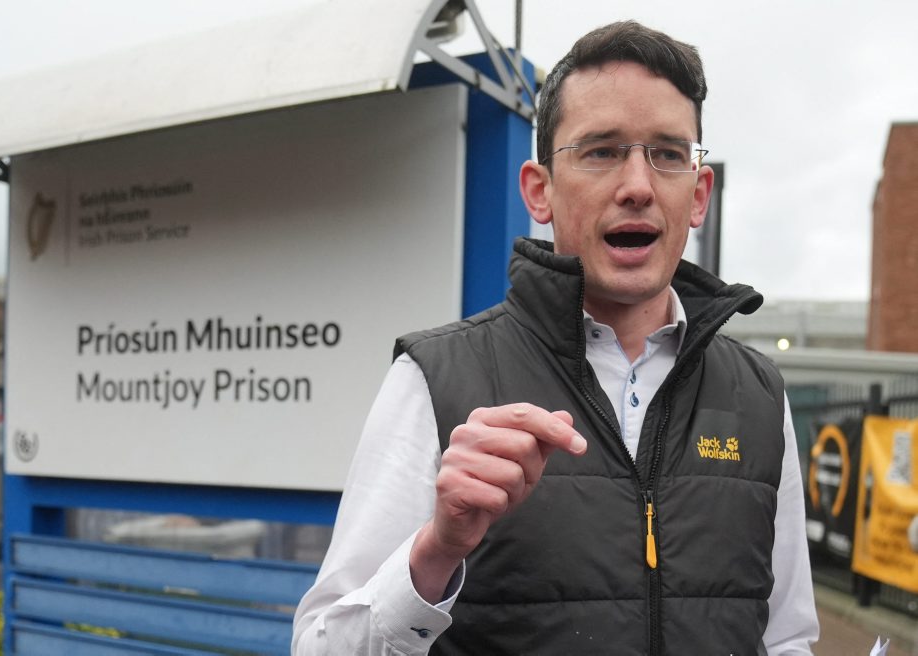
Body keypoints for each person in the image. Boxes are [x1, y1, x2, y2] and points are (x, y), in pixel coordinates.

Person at [292, 20, 819, 655]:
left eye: (668, 153)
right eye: (601, 151)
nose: (638, 186)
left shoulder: (758, 395)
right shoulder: (435, 378)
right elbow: (319, 646)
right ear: (539, 192)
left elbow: (787, 638)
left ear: (698, 194)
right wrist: (436, 551)